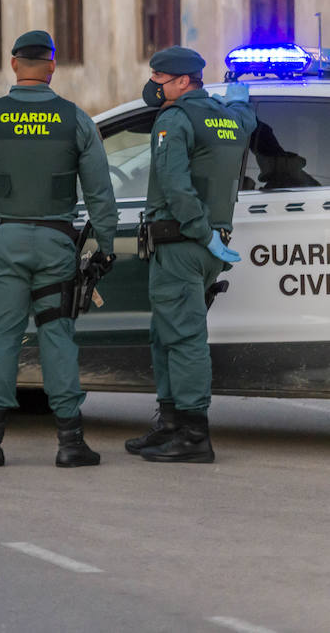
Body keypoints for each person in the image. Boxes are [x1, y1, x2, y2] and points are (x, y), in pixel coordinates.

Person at [0, 30, 118, 468]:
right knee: (57, 337)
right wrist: (105, 246)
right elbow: (101, 193)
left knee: (2, 340)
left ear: (14, 65)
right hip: (57, 245)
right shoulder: (76, 120)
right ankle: (71, 442)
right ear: (52, 67)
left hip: (4, 245)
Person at [125, 47, 254, 463]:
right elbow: (245, 121)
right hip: (203, 244)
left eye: (160, 78)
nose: (153, 85)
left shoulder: (175, 119)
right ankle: (169, 425)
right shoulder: (228, 116)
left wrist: (200, 233)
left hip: (184, 242)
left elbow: (176, 187)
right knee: (166, 334)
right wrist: (240, 98)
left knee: (184, 338)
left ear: (184, 81)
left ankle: (194, 435)